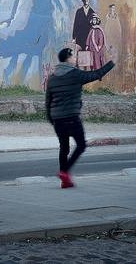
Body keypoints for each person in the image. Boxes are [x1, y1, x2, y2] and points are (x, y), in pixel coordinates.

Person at [46, 48, 114, 188]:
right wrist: (111, 63)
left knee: (64, 148)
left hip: (58, 119)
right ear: (68, 59)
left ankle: (65, 181)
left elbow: (48, 101)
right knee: (81, 145)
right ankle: (64, 172)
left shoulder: (52, 78)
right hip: (71, 117)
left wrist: (52, 120)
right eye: (73, 56)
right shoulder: (75, 74)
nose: (75, 59)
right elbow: (95, 74)